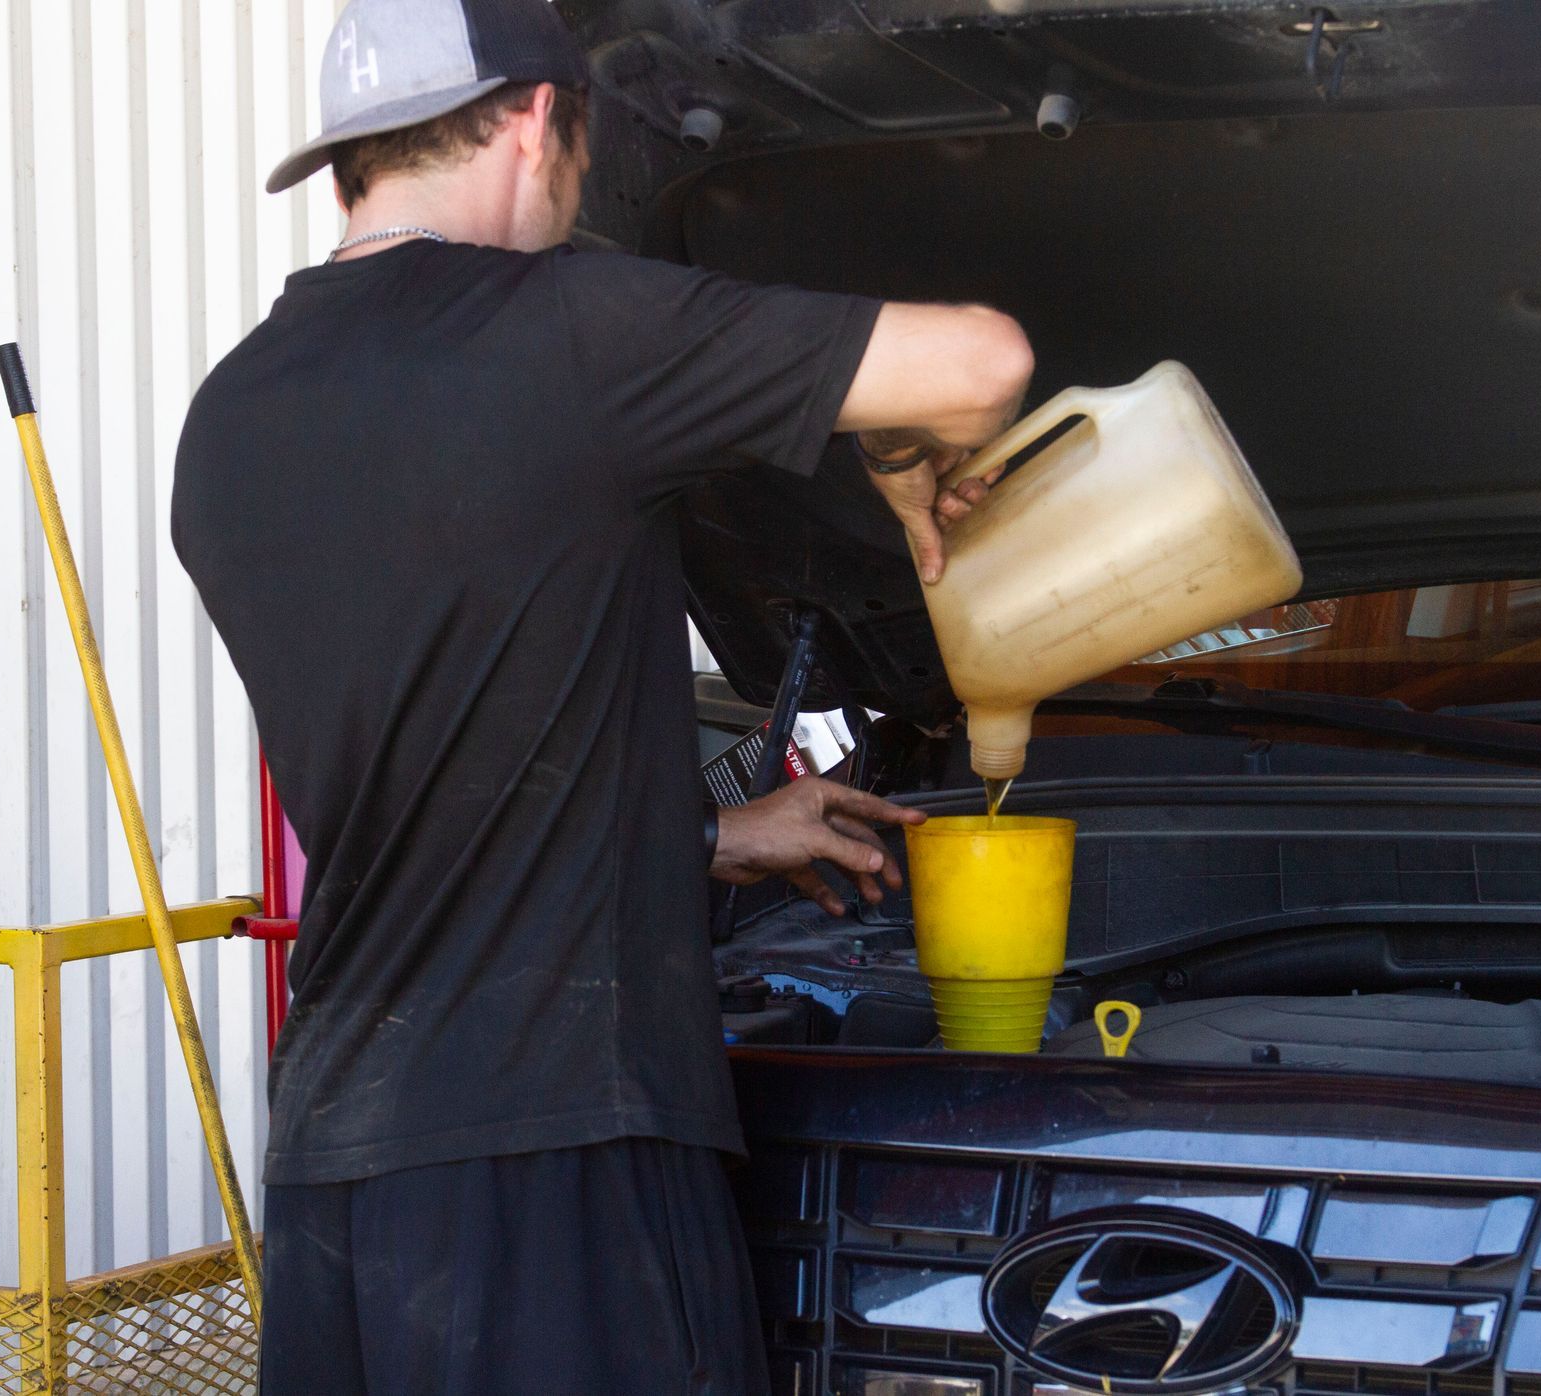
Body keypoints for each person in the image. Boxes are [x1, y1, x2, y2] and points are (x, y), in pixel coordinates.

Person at [171, 0, 1034, 1390]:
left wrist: (715, 837)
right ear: (532, 119)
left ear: (349, 162)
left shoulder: (228, 419)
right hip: (559, 1153)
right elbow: (984, 363)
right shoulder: (571, 331)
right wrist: (891, 453)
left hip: (347, 1157)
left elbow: (442, 766)